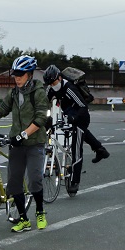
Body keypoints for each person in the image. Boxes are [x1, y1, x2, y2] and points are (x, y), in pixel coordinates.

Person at [0, 55, 50, 232]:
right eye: (15, 74)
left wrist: (23, 135)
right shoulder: (15, 92)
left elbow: (41, 117)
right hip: (16, 143)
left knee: (34, 180)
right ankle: (23, 219)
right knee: (14, 181)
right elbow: (2, 109)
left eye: (21, 74)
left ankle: (40, 211)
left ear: (30, 74)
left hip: (34, 143)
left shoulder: (38, 92)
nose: (17, 77)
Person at [42, 64, 109, 195]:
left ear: (60, 78)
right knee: (82, 134)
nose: (52, 84)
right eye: (49, 83)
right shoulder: (51, 89)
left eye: (54, 81)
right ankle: (100, 150)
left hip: (81, 116)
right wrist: (46, 119)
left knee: (76, 146)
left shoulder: (69, 88)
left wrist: (74, 118)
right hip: (67, 114)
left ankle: (75, 181)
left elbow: (83, 107)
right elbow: (45, 104)